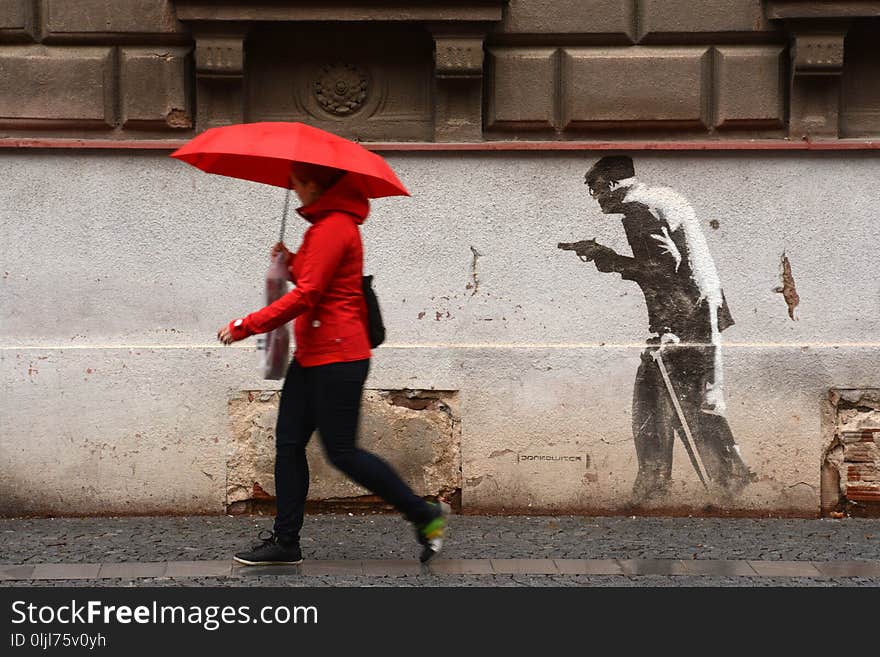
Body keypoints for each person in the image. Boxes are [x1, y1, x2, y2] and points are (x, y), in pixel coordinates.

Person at [218, 162, 448, 564]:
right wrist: (288, 261)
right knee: (288, 445)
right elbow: (315, 279)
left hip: (339, 358)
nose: (293, 189)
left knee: (342, 452)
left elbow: (307, 296)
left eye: (297, 182)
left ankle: (424, 515)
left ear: (314, 184)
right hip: (312, 356)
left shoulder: (335, 227)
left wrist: (245, 325)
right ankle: (286, 542)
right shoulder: (321, 228)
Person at [561, 156, 754, 503]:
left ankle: (661, 484)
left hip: (683, 317)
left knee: (655, 399)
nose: (596, 199)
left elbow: (663, 270)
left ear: (611, 185)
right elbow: (676, 264)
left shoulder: (637, 210)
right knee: (688, 400)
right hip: (700, 310)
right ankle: (720, 475)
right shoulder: (662, 197)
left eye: (595, 190)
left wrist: (607, 259)